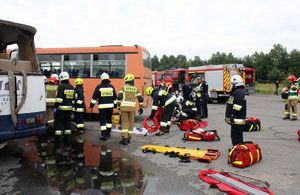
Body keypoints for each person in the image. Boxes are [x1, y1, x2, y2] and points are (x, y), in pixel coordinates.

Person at [117, 73, 144, 145]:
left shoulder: (123, 87)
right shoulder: (136, 89)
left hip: (124, 108)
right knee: (131, 123)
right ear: (132, 80)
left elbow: (119, 97)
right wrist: (141, 108)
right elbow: (141, 99)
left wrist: (118, 106)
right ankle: (129, 138)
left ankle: (125, 139)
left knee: (125, 122)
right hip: (132, 108)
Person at [90, 72, 117, 141]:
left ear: (101, 79)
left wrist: (91, 106)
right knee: (109, 120)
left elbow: (94, 98)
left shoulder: (99, 86)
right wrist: (115, 105)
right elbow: (115, 97)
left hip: (102, 107)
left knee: (103, 121)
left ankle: (104, 136)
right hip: (110, 107)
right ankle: (108, 133)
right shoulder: (111, 87)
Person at [225, 74, 247, 146]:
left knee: (236, 137)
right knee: (235, 136)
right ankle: (237, 150)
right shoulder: (238, 91)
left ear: (235, 83)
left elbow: (238, 106)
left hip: (237, 119)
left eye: (232, 84)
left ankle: (238, 151)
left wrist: (232, 115)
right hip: (236, 120)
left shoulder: (239, 92)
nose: (232, 85)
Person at [53, 71, 75, 139]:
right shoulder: (71, 87)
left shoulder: (61, 86)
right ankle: (67, 140)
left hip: (61, 110)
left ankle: (58, 140)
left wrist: (55, 107)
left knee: (59, 124)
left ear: (61, 78)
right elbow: (73, 99)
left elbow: (59, 99)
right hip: (69, 109)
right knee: (67, 125)